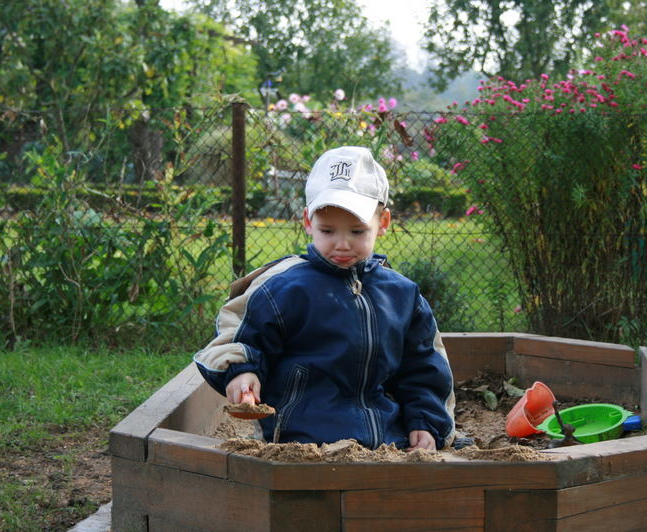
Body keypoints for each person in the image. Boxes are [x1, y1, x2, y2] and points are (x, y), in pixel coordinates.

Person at [193, 146, 455, 451]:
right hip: (300, 439)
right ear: (307, 221)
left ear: (383, 222)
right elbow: (239, 337)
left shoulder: (401, 295)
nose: (342, 244)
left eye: (357, 231)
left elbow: (423, 366)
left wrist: (424, 421)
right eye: (327, 230)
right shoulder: (284, 287)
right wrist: (242, 372)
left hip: (387, 441)